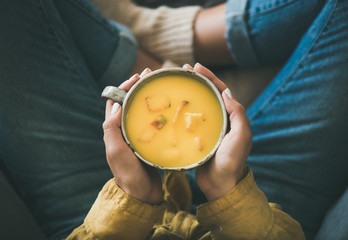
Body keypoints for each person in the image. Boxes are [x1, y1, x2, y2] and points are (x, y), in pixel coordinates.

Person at [0, 0, 347, 239]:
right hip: (257, 207)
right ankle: (154, 42)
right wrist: (229, 189)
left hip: (101, 209)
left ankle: (144, 44)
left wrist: (130, 197)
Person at [66, 63, 305, 239]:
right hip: (229, 200)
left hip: (129, 209)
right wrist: (226, 187)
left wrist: (132, 194)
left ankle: (141, 49)